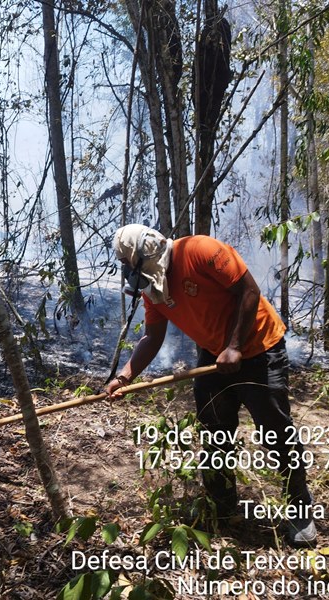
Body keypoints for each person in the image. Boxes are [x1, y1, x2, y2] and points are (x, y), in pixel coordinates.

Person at [105, 224, 316, 547]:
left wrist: (234, 347)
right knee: (215, 431)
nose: (130, 271)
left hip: (259, 349)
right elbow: (152, 336)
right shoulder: (153, 288)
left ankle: (300, 508)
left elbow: (249, 291)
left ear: (146, 252)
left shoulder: (200, 250)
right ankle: (222, 507)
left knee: (275, 431)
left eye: (130, 263)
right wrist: (124, 377)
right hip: (215, 356)